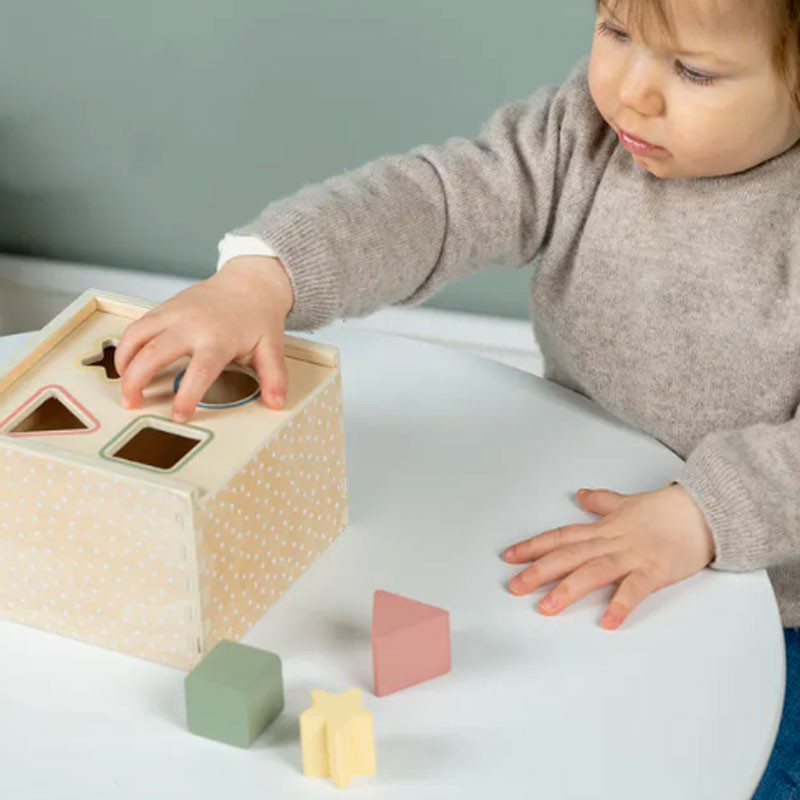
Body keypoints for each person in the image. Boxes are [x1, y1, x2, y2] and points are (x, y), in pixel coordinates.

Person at [114, 1, 800, 793]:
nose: (632, 92)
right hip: (588, 520)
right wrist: (266, 275)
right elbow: (436, 202)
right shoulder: (582, 132)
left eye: (692, 70)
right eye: (615, 31)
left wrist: (706, 514)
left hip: (778, 596)